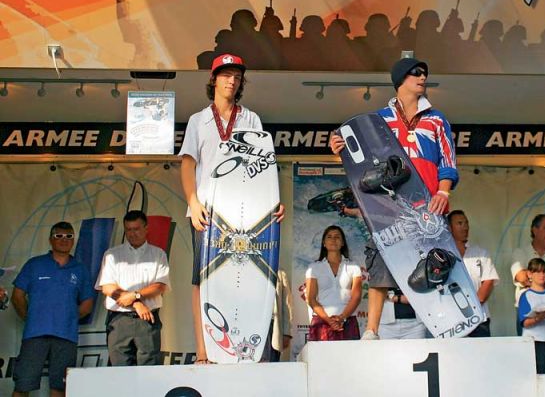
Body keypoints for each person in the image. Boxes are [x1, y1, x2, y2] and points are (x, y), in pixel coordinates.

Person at [329, 57, 458, 340]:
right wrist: (338, 146)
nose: (422, 78)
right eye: (416, 73)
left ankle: (447, 326)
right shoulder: (380, 120)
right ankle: (372, 330)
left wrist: (443, 191)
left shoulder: (437, 119)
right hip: (390, 203)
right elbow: (362, 159)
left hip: (428, 203)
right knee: (381, 256)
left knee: (436, 263)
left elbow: (448, 161)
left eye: (424, 73)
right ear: (401, 80)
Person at [179, 53, 285, 364]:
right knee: (203, 279)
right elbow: (187, 164)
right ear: (214, 80)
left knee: (248, 276)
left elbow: (264, 166)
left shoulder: (250, 119)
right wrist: (193, 201)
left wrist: (273, 203)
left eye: (237, 76)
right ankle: (204, 350)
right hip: (207, 213)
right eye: (226, 75)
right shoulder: (198, 120)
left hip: (246, 216)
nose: (232, 81)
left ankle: (243, 347)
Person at [11, 222, 94, 397]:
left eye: (69, 236)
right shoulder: (34, 264)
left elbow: (87, 304)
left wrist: (68, 318)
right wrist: (29, 317)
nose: (64, 240)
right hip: (35, 335)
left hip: (66, 336)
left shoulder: (80, 270)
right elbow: (17, 296)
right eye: (59, 236)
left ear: (73, 240)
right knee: (23, 385)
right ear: (50, 239)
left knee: (60, 388)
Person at [95, 210, 170, 366]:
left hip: (147, 320)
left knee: (149, 369)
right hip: (119, 320)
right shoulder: (112, 254)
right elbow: (107, 287)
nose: (132, 233)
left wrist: (136, 295)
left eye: (136, 229)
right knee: (119, 370)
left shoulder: (158, 254)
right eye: (128, 229)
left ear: (146, 228)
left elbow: (159, 286)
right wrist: (136, 302)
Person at [305, 226, 363, 341]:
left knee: (349, 353)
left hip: (348, 321)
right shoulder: (314, 267)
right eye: (329, 237)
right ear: (324, 243)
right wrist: (329, 320)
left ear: (342, 243)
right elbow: (311, 299)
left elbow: (356, 297)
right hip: (321, 321)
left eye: (337, 237)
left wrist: (342, 318)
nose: (333, 240)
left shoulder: (353, 266)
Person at [447, 210, 499, 337]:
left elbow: (489, 281)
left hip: (480, 319)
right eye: (460, 223)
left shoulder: (481, 253)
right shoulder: (442, 256)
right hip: (452, 321)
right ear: (449, 228)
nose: (465, 227)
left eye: (466, 223)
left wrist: (474, 305)